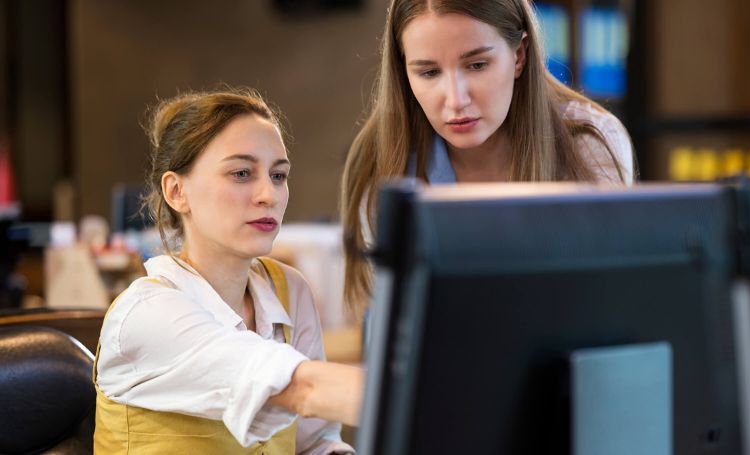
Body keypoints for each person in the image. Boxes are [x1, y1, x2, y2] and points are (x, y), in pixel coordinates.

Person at [94, 88, 362, 454]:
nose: (269, 194)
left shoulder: (290, 290)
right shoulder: (145, 313)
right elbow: (301, 388)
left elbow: (314, 442)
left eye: (279, 175)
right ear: (176, 192)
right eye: (241, 173)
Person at [340, 0, 636, 313]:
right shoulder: (384, 163)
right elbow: (397, 323)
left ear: (519, 55)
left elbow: (603, 304)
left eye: (477, 65)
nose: (456, 100)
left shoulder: (589, 142)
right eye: (428, 72)